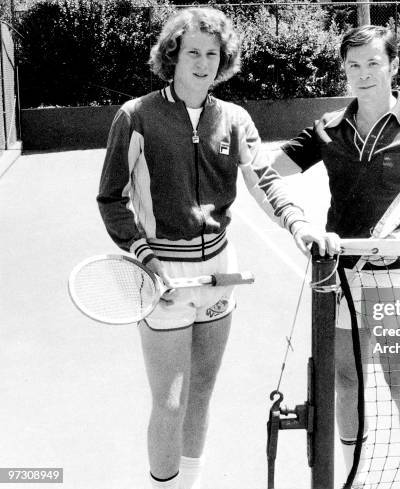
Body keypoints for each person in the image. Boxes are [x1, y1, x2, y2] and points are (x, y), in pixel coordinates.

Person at [97, 8, 333, 489]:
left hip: (221, 274)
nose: (203, 63)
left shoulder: (235, 119)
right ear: (173, 56)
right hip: (162, 274)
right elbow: (112, 200)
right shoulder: (135, 117)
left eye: (212, 54)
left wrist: (299, 225)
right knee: (169, 400)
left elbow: (265, 181)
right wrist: (147, 257)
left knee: (201, 394)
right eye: (193, 53)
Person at [269, 25, 400, 489]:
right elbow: (268, 171)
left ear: (394, 66)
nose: (363, 74)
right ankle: (350, 478)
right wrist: (300, 221)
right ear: (344, 70)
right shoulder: (328, 128)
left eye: (374, 63)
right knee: (346, 384)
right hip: (341, 277)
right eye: (353, 65)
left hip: (397, 280)